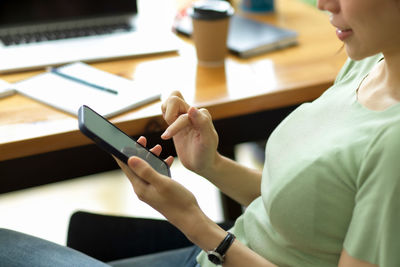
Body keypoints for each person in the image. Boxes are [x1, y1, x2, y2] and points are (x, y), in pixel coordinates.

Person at [1, 0, 400, 266]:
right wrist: (210, 165)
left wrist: (196, 223)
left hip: (217, 249)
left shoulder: (393, 146)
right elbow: (308, 204)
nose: (323, 3)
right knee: (84, 232)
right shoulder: (368, 63)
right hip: (214, 251)